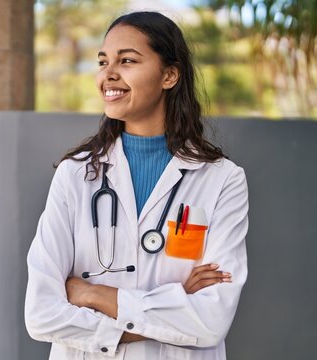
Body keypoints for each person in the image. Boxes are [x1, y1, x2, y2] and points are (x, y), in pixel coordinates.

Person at [25, 11, 248, 360]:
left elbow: (210, 320)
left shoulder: (221, 180)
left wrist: (92, 295)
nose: (108, 74)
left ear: (169, 75)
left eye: (127, 60)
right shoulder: (75, 175)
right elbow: (41, 314)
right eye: (103, 61)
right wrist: (173, 302)